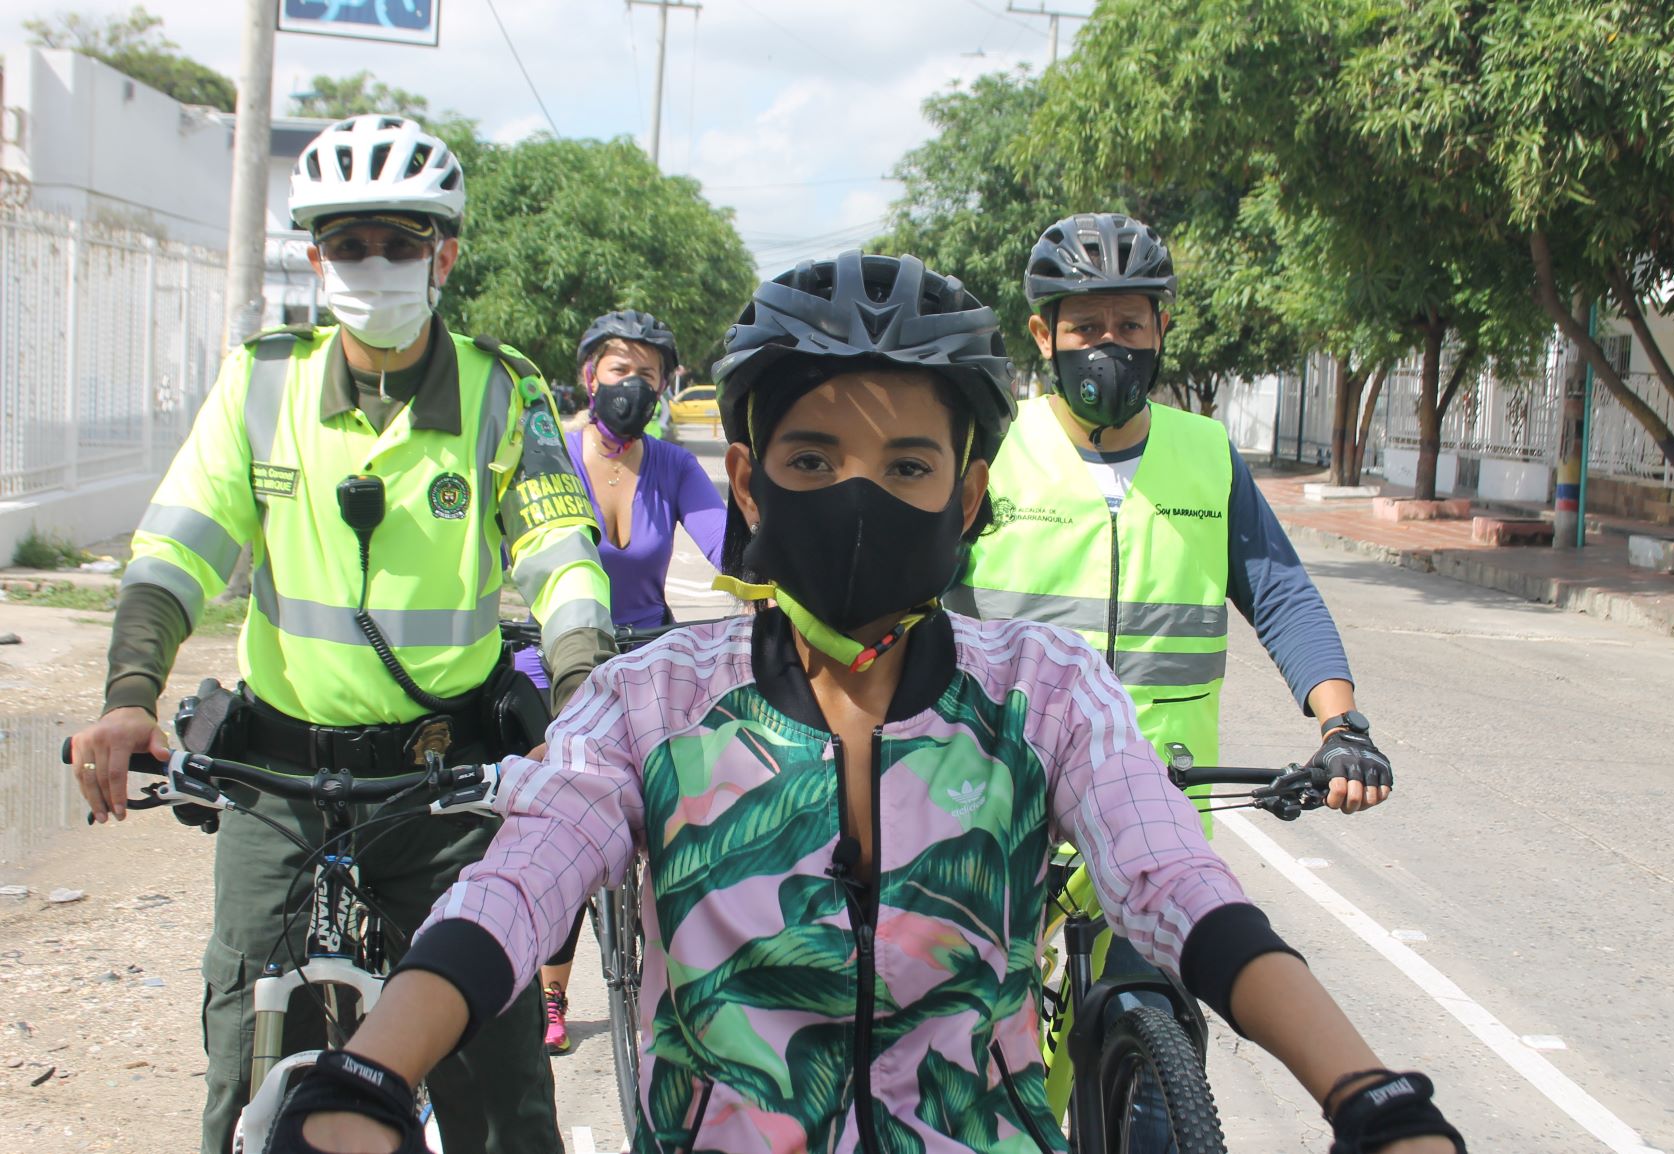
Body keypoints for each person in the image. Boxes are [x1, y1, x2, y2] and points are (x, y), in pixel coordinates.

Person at [260, 251, 1464, 1154]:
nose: (856, 498)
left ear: (968, 491)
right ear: (747, 477)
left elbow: (1181, 890)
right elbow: (511, 893)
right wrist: (372, 1073)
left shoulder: (1040, 694)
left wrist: (1364, 1090)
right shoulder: (653, 701)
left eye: (905, 469)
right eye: (812, 460)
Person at [65, 114, 613, 1154]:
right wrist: (130, 691)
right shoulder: (261, 383)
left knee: (497, 1088)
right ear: (315, 258)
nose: (375, 264)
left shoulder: (503, 392)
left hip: (446, 784)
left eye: (400, 242)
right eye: (348, 243)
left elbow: (562, 557)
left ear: (442, 253)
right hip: (276, 781)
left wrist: (579, 712)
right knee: (244, 1062)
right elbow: (177, 549)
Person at [950, 212, 1393, 807]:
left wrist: (1343, 727)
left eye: (1130, 325)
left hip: (1162, 818)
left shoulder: (1208, 455)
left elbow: (1283, 596)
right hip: (997, 811)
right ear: (1043, 334)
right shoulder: (991, 449)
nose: (1109, 346)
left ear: (1161, 329)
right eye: (1085, 327)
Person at [517, 309, 727, 1054]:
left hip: (648, 661)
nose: (631, 387)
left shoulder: (673, 466)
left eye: (647, 374)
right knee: (560, 823)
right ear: (587, 378)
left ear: (666, 385)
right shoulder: (551, 457)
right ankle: (549, 989)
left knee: (688, 821)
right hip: (555, 662)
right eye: (617, 370)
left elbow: (729, 546)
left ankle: (697, 978)